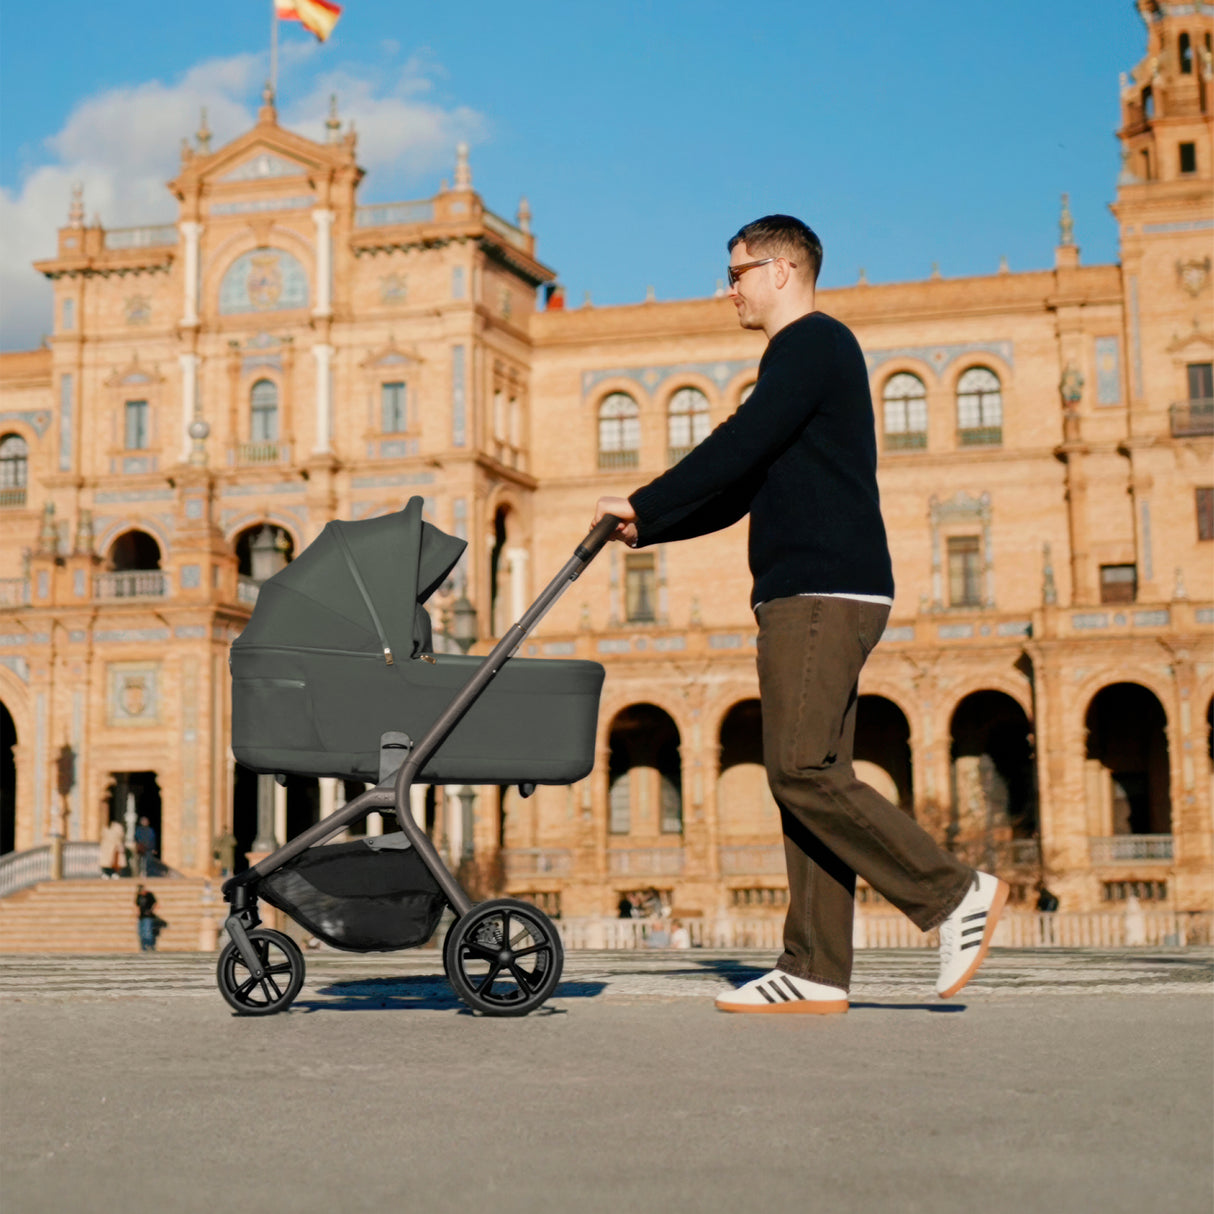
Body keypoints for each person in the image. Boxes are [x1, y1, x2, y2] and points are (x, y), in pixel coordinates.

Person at [593, 215, 1009, 1014]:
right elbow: (744, 487)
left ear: (782, 270)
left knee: (800, 768)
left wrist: (644, 497)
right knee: (810, 773)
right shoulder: (805, 359)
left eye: (739, 271)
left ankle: (953, 893)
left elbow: (738, 442)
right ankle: (815, 967)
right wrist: (650, 525)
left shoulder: (813, 344)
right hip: (817, 590)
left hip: (821, 590)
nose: (730, 289)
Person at [134, 884, 158, 952]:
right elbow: (137, 905)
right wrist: (137, 914)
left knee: (147, 933)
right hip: (141, 917)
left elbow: (155, 904)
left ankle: (150, 946)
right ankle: (144, 947)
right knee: (141, 933)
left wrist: (151, 911)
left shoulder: (149, 895)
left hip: (148, 917)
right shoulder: (139, 896)